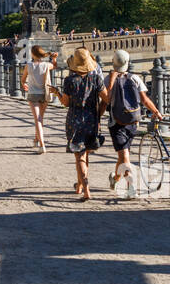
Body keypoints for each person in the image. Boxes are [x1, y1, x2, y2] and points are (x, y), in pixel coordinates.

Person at [99, 49, 163, 197]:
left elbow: (104, 102)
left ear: (113, 63)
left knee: (124, 156)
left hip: (117, 123)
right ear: (127, 63)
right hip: (133, 121)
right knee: (123, 155)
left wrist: (97, 119)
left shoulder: (108, 80)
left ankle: (130, 187)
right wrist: (156, 111)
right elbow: (144, 100)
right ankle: (117, 180)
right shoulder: (135, 78)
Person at [54, 48, 103, 201]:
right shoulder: (96, 79)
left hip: (74, 121)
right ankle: (80, 186)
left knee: (79, 156)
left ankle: (86, 190)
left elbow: (66, 103)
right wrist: (99, 114)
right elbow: (107, 98)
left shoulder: (69, 81)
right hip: (91, 120)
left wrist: (57, 93)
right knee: (84, 154)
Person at [20, 46, 53, 152]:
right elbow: (54, 65)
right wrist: (54, 58)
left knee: (37, 119)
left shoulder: (28, 66)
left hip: (33, 94)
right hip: (44, 94)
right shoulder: (47, 65)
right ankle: (36, 140)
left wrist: (24, 84)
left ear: (33, 54)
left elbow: (23, 79)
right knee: (40, 119)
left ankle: (42, 145)